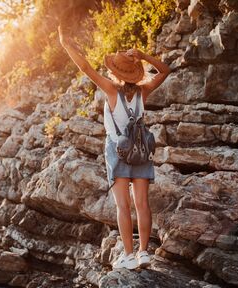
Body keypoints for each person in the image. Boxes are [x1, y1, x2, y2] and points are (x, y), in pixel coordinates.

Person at [58, 24, 171, 270]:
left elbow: (85, 67)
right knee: (142, 204)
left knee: (123, 206)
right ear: (136, 72)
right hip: (141, 150)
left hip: (117, 149)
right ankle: (143, 253)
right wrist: (144, 56)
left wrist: (67, 45)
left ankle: (129, 256)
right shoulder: (144, 91)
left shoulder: (110, 90)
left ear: (116, 73)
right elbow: (165, 70)